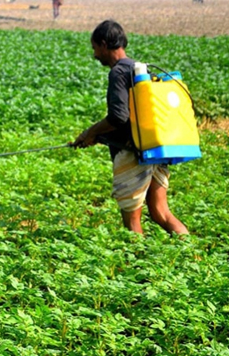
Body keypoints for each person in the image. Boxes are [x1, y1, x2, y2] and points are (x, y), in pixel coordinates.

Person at [72, 20, 189, 236]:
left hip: (133, 154)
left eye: (95, 48)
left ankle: (137, 262)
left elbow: (118, 117)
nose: (95, 54)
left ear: (104, 44)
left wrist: (92, 131)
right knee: (161, 213)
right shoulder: (139, 70)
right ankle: (192, 252)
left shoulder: (118, 73)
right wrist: (97, 137)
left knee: (132, 220)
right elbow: (132, 118)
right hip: (155, 149)